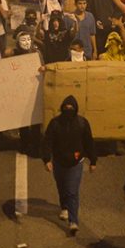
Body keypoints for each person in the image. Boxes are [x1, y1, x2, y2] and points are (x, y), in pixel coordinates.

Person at [41, 95, 99, 236]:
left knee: (72, 191)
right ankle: (64, 207)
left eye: (71, 108)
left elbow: (89, 143)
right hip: (59, 162)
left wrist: (93, 160)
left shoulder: (82, 123)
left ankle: (73, 222)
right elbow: (47, 142)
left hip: (76, 163)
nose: (68, 110)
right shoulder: (55, 124)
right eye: (66, 108)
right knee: (62, 187)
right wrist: (46, 160)